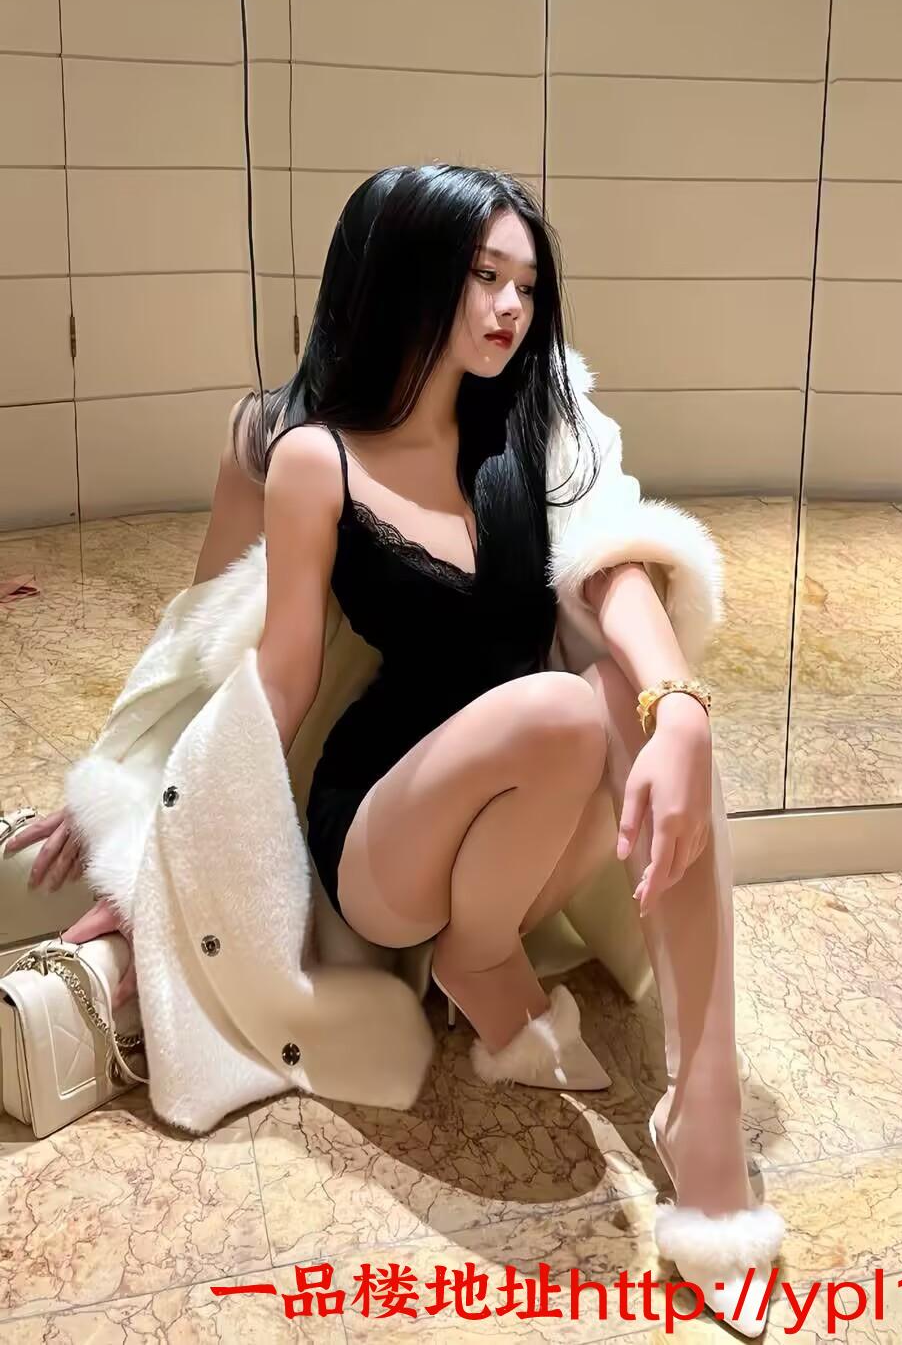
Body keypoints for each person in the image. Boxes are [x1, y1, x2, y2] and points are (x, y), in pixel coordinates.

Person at [10, 164, 784, 1332]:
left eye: (526, 284)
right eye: (482, 275)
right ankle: (480, 958)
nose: (510, 306)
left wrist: (678, 705)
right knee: (569, 706)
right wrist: (151, 834)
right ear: (406, 268)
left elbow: (615, 564)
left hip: (519, 815)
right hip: (382, 829)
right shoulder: (309, 454)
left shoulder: (536, 424)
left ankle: (695, 1105)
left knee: (638, 698)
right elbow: (258, 669)